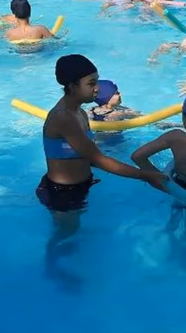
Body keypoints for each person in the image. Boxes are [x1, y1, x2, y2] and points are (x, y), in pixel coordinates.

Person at [36, 54, 167, 214]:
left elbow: (88, 157)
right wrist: (145, 175)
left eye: (96, 81)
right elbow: (97, 158)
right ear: (72, 86)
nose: (97, 88)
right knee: (67, 237)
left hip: (82, 182)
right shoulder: (64, 117)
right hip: (63, 191)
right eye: (91, 83)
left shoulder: (80, 113)